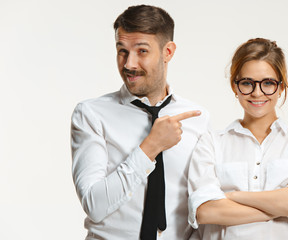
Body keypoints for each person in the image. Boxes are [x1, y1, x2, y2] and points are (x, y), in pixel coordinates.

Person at [71, 5, 209, 240]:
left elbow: (202, 202)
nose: (129, 64)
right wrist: (151, 146)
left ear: (168, 52)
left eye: (142, 51)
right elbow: (94, 204)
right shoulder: (91, 114)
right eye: (122, 51)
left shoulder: (197, 117)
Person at [188, 38, 288, 240]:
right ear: (235, 86)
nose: (257, 92)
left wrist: (232, 196)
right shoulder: (211, 143)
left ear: (281, 87)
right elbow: (207, 212)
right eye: (247, 83)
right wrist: (281, 202)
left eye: (268, 83)